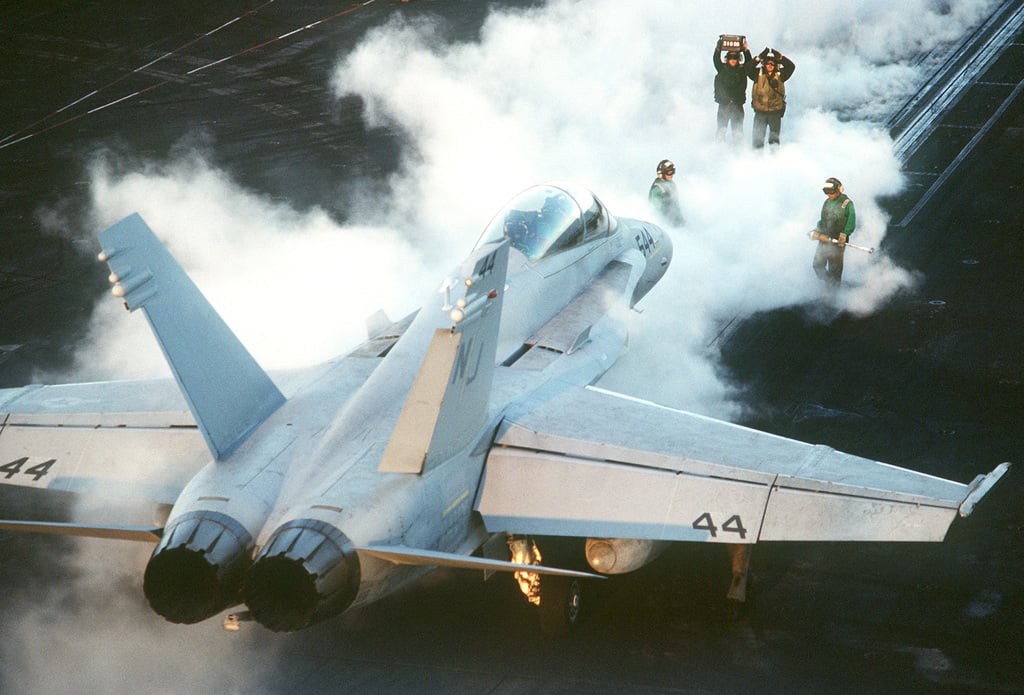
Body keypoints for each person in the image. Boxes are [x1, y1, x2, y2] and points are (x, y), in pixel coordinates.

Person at [811, 177, 856, 289]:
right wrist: (817, 230)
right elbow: (822, 220)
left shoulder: (847, 204)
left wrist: (845, 234)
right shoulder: (826, 202)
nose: (829, 195)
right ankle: (830, 282)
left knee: (835, 268)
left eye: (832, 193)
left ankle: (833, 295)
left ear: (839, 190)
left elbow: (851, 221)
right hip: (824, 238)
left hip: (838, 240)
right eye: (827, 193)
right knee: (817, 265)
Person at [747, 47, 795, 149]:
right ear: (764, 64)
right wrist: (759, 58)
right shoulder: (757, 73)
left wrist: (781, 58)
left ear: (776, 65)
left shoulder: (780, 74)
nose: (770, 65)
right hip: (760, 112)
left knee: (774, 139)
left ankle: (774, 159)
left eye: (772, 63)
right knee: (757, 139)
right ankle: (756, 158)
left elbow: (791, 67)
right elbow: (747, 69)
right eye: (767, 63)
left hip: (775, 112)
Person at [713, 38, 753, 142]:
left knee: (738, 132)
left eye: (735, 57)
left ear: (739, 58)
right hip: (724, 105)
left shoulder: (742, 70)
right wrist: (718, 48)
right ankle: (718, 152)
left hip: (737, 105)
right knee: (721, 131)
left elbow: (750, 63)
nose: (733, 59)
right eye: (730, 57)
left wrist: (746, 50)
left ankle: (737, 153)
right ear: (727, 58)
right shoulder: (722, 69)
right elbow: (716, 60)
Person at [648, 159, 684, 225]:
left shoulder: (671, 184)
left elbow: (676, 204)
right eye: (669, 172)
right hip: (666, 223)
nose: (672, 174)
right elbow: (657, 211)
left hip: (676, 220)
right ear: (661, 173)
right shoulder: (657, 189)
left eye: (673, 171)